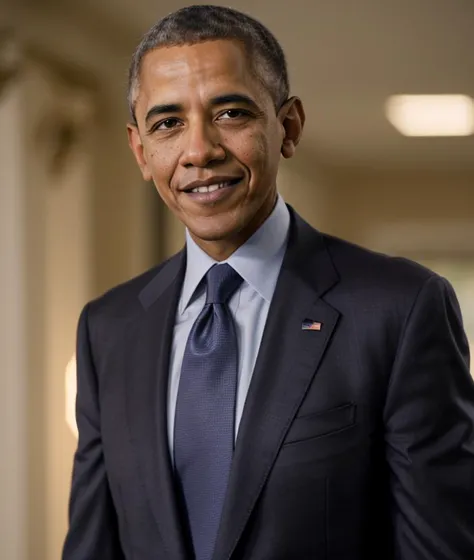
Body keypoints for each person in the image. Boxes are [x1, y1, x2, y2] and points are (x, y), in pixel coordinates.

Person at [62, 5, 474, 560]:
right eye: (168, 123)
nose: (199, 151)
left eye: (230, 113)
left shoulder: (400, 310)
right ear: (141, 150)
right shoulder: (107, 329)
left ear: (289, 127)